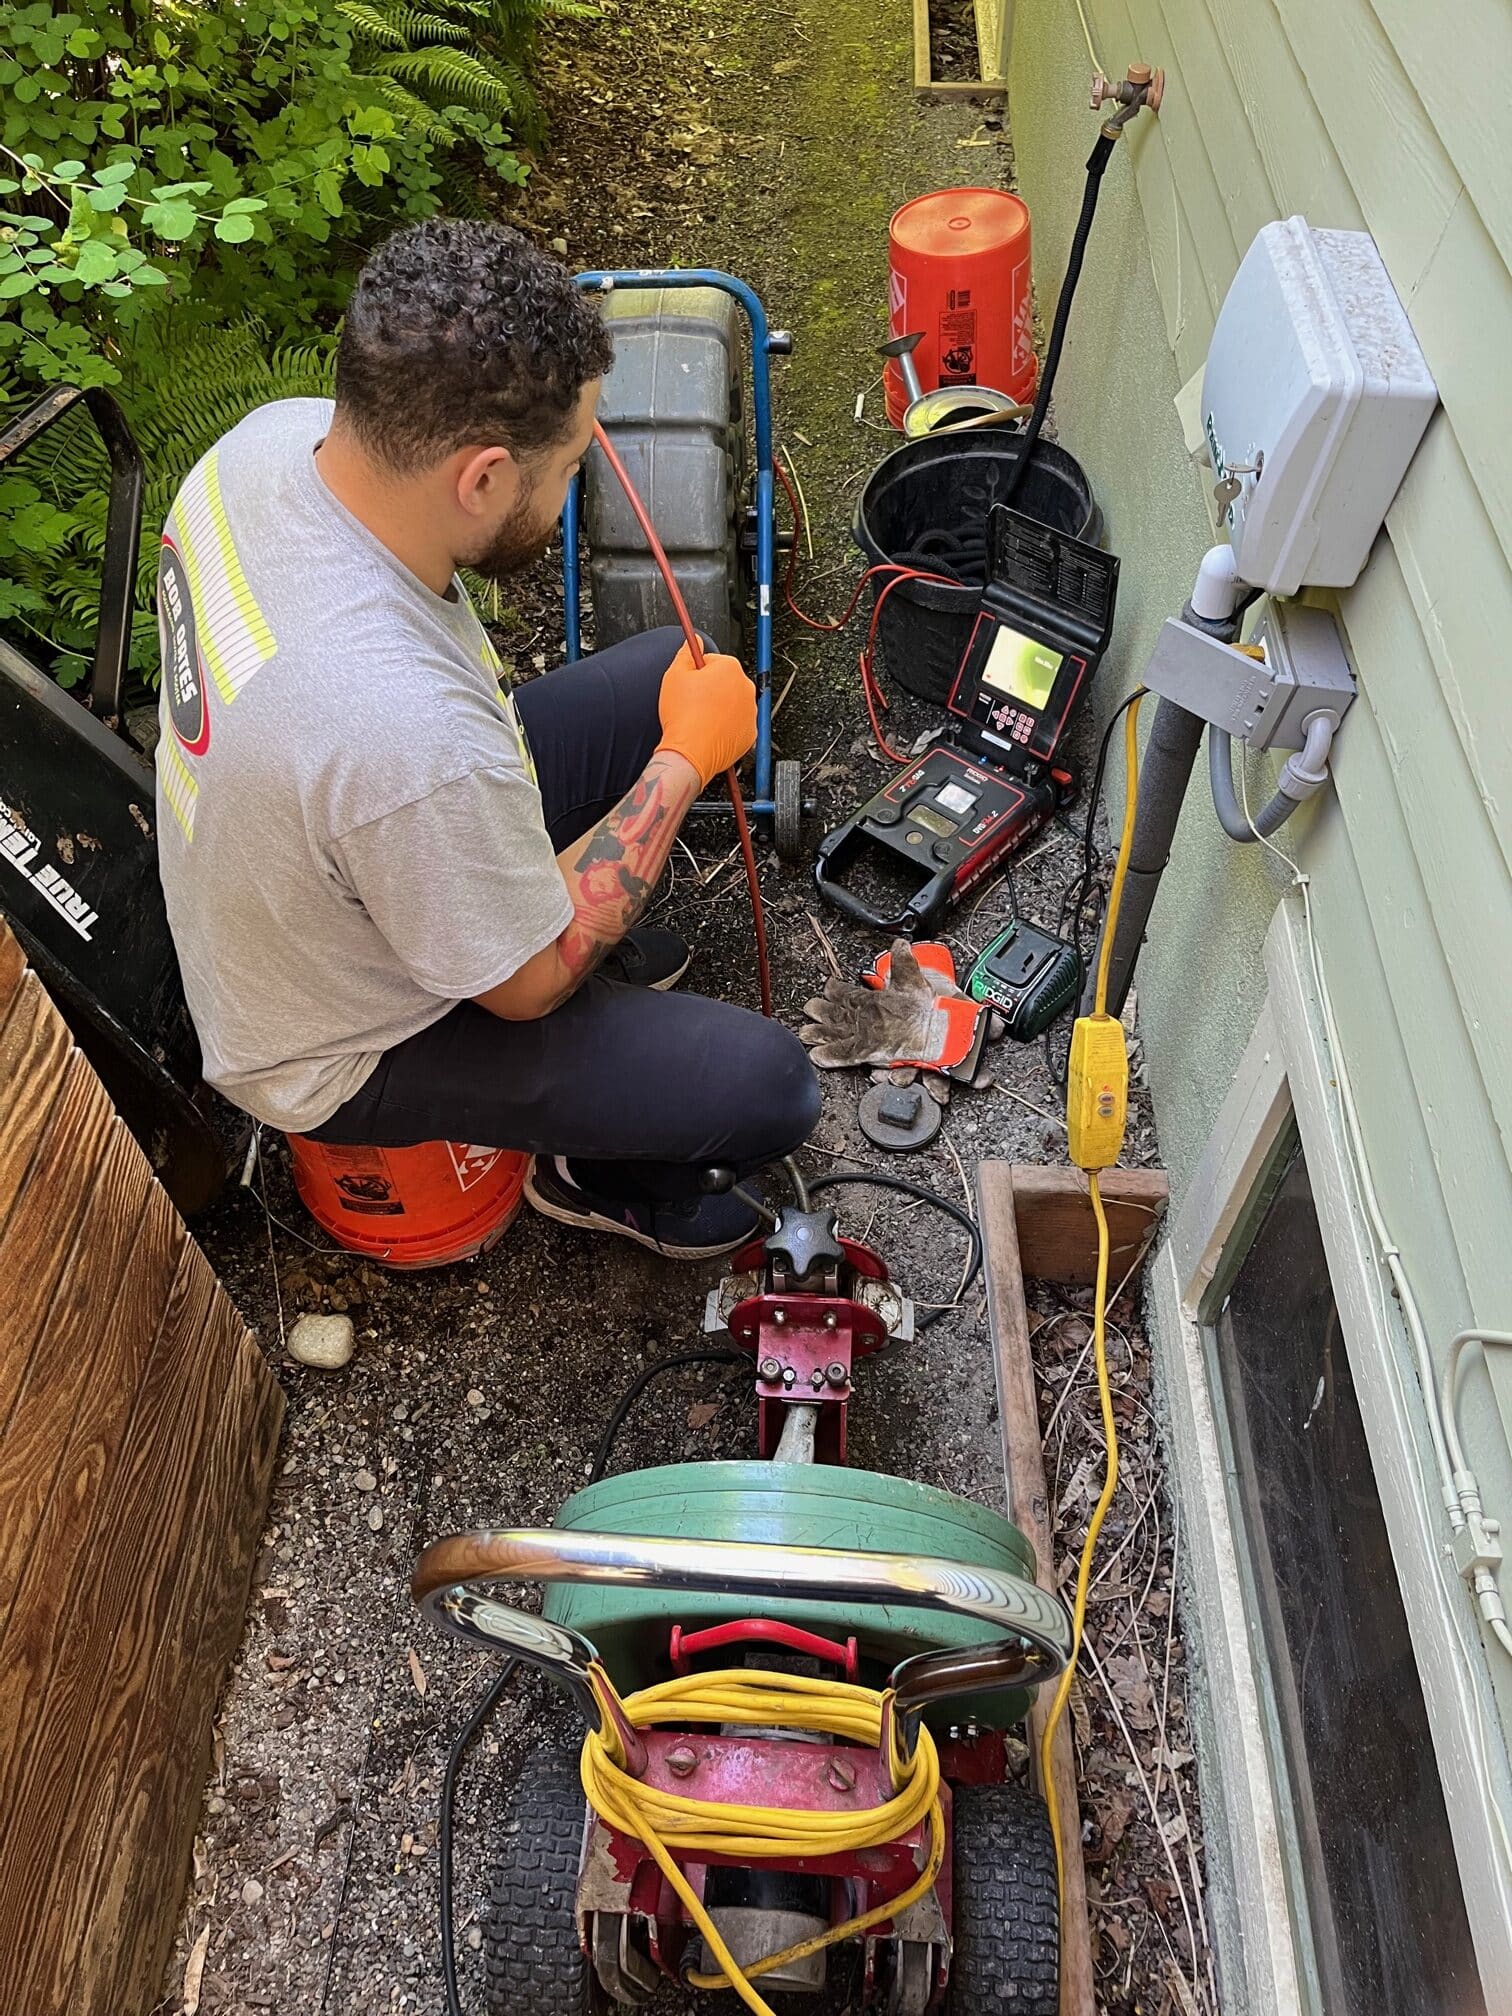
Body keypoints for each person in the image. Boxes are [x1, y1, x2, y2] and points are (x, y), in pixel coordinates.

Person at [154, 219, 819, 1257]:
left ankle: (514, 924)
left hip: (314, 862)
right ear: (482, 478)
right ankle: (602, 1172)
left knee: (669, 677)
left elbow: (407, 760)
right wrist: (685, 765)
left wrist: (675, 730)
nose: (567, 502)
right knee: (772, 1087)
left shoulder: (272, 446)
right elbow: (527, 986)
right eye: (564, 475)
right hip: (335, 1036)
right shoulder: (398, 731)